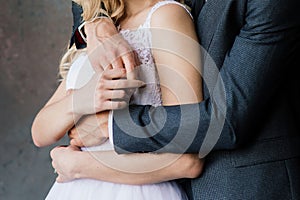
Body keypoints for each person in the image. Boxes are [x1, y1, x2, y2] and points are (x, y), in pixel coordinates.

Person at [51, 0, 300, 199]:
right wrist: (96, 22)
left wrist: (110, 127)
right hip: (147, 182)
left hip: (240, 184)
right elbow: (85, 6)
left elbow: (229, 119)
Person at [32, 0, 205, 199]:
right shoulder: (98, 26)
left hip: (136, 192)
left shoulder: (167, 15)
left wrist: (79, 166)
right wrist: (83, 99)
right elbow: (40, 132)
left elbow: (187, 160)